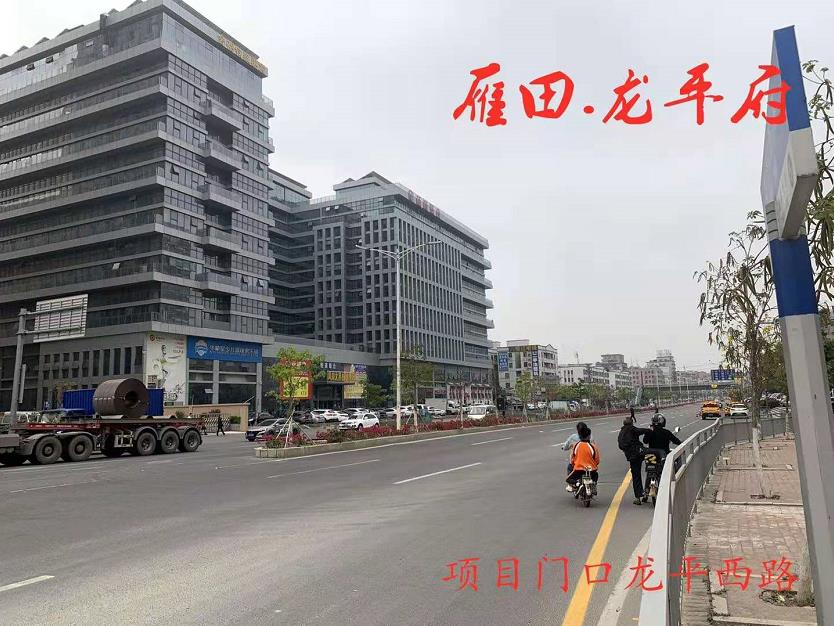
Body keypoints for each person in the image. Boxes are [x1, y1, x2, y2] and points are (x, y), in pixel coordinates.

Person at [618, 415, 652, 505]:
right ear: (632, 423)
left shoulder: (621, 432)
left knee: (636, 475)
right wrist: (649, 431)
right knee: (653, 464)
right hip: (639, 453)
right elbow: (644, 431)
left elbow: (620, 446)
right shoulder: (632, 429)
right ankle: (647, 490)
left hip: (631, 456)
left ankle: (638, 497)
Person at [565, 424, 599, 494]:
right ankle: (593, 484)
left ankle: (577, 484)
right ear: (589, 436)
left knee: (568, 479)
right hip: (591, 470)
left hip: (579, 469)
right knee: (596, 475)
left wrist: (574, 464)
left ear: (579, 435)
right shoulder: (593, 446)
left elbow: (573, 458)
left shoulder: (576, 445)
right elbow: (597, 460)